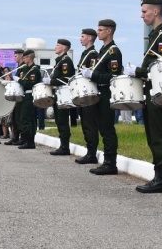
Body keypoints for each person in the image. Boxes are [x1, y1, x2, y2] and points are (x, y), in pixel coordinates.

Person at [125, 0, 162, 193]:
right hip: (150, 91)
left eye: (145, 11)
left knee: (159, 134)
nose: (142, 15)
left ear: (156, 11)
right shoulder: (155, 35)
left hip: (158, 91)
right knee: (152, 134)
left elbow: (160, 68)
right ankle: (158, 176)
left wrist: (137, 72)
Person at [81, 19, 122, 175]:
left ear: (109, 31)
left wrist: (93, 74)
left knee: (107, 129)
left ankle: (111, 163)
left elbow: (114, 76)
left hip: (106, 93)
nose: (97, 33)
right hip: (98, 93)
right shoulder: (103, 51)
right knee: (102, 128)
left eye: (100, 30)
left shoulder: (113, 51)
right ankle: (106, 161)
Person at [74, 28, 100, 165]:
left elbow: (92, 71)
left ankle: (92, 153)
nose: (80, 38)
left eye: (82, 36)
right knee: (85, 124)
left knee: (90, 124)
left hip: (89, 93)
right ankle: (89, 151)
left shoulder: (93, 54)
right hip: (82, 94)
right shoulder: (85, 53)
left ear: (90, 38)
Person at [47, 39, 76, 156]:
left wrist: (52, 81)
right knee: (59, 120)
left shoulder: (66, 61)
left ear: (64, 48)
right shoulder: (59, 61)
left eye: (58, 45)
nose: (55, 47)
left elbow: (67, 78)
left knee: (63, 121)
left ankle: (65, 147)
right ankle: (62, 145)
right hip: (58, 94)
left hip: (63, 94)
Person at [17, 50, 41, 149]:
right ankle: (27, 140)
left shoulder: (34, 70)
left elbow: (31, 84)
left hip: (30, 95)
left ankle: (29, 141)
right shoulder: (25, 69)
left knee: (26, 119)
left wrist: (19, 80)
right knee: (26, 119)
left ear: (29, 57)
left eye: (24, 57)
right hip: (24, 96)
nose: (23, 59)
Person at [5, 49, 24, 145]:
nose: (15, 57)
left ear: (21, 56)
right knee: (15, 118)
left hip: (21, 95)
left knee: (19, 118)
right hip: (16, 95)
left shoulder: (24, 67)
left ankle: (21, 137)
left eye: (16, 56)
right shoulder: (19, 67)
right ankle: (15, 136)